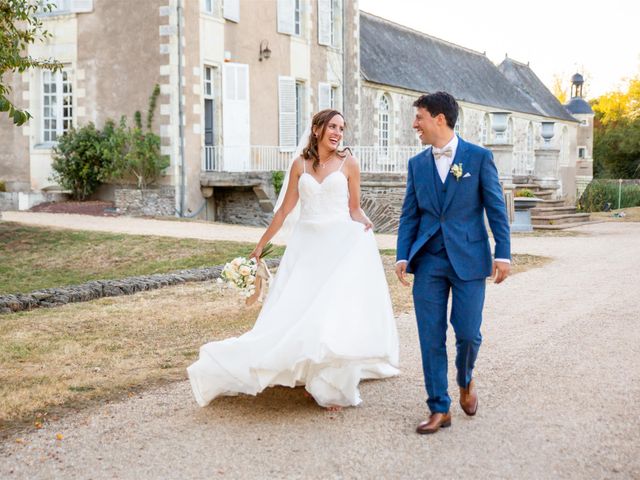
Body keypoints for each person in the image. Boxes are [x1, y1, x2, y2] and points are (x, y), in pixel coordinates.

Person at [188, 109, 399, 410]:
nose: (338, 132)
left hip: (339, 245)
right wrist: (260, 245)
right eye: (332, 126)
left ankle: (328, 382)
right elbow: (285, 210)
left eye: (341, 128)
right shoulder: (299, 164)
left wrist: (366, 224)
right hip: (307, 247)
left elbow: (354, 207)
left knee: (330, 311)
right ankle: (301, 366)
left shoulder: (349, 163)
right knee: (298, 311)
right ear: (317, 129)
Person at [395, 92, 511, 434]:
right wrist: (403, 254)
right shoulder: (417, 165)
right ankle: (439, 408)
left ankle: (465, 379)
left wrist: (502, 252)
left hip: (470, 259)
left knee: (468, 334)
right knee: (430, 336)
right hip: (429, 259)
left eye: (419, 117)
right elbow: (409, 214)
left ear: (439, 119)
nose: (415, 124)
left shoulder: (478, 158)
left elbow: (495, 208)